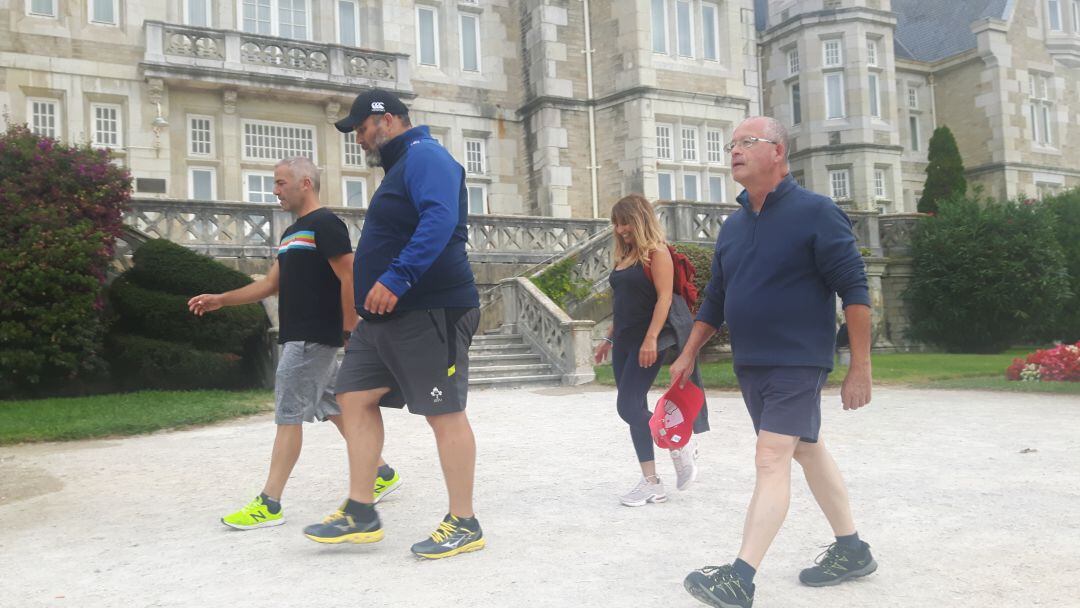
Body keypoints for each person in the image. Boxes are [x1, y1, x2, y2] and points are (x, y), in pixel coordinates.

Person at [671, 117, 877, 608]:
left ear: (778, 152)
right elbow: (716, 299)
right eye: (732, 144)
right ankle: (852, 548)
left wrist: (860, 366)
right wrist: (688, 352)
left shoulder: (817, 212)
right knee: (806, 448)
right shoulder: (734, 226)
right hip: (753, 363)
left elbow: (855, 290)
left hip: (797, 360)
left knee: (770, 457)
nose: (734, 151)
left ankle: (740, 577)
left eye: (747, 142)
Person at [301, 89, 484, 560]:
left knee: (443, 413)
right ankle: (361, 509)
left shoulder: (427, 157)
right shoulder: (401, 169)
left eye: (361, 129)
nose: (359, 139)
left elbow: (440, 219)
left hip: (429, 307)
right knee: (352, 396)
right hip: (384, 315)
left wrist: (398, 277)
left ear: (387, 120)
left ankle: (464, 521)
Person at [188, 156, 400, 531]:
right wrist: (222, 298)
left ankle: (270, 502)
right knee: (333, 405)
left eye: (281, 183)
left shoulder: (326, 224)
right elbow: (271, 285)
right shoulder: (291, 234)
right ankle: (381, 471)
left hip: (311, 338)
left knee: (288, 416)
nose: (275, 190)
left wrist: (350, 333)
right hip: (300, 337)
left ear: (305, 183)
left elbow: (350, 274)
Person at [593, 194, 709, 507]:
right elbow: (623, 305)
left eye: (625, 222)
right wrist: (609, 338)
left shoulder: (657, 253)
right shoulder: (625, 256)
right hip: (624, 342)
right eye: (616, 224)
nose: (619, 229)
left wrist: (651, 338)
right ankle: (651, 482)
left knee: (628, 407)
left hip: (648, 342)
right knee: (634, 410)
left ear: (640, 218)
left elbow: (664, 299)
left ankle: (680, 441)